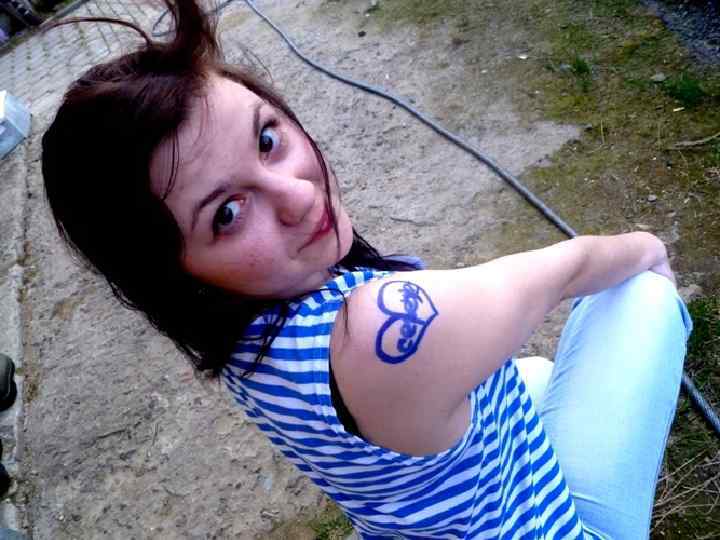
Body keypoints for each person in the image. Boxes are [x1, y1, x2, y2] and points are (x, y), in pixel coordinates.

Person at [41, 1, 692, 538]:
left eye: (267, 139)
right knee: (635, 293)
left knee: (535, 373)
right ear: (172, 272)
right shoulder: (375, 330)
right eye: (228, 213)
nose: (298, 197)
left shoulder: (236, 329)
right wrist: (649, 251)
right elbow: (568, 268)